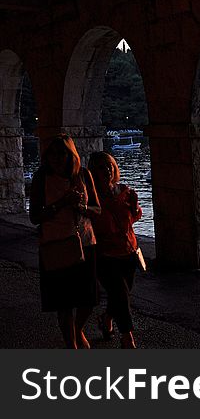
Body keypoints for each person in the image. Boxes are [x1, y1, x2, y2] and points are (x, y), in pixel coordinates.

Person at [29, 134, 101, 349]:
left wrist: (81, 207)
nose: (57, 158)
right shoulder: (42, 178)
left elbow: (97, 209)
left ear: (72, 155)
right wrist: (62, 203)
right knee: (64, 301)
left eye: (62, 153)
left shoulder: (84, 175)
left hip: (85, 243)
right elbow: (34, 216)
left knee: (88, 299)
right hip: (56, 244)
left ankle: (77, 329)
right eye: (52, 153)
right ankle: (72, 345)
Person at [87, 151, 143, 349]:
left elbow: (133, 218)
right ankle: (127, 337)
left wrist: (135, 208)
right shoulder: (90, 198)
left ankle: (107, 317)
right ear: (93, 171)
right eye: (101, 167)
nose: (107, 170)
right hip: (105, 254)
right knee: (120, 292)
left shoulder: (124, 191)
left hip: (128, 250)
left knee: (120, 293)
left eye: (110, 166)